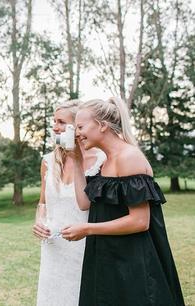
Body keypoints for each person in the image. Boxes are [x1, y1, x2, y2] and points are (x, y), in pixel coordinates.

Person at [61, 97, 185, 306]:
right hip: (108, 256)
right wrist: (77, 160)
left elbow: (140, 221)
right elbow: (84, 203)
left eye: (81, 126)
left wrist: (87, 228)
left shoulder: (129, 158)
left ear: (102, 125)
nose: (77, 133)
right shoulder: (106, 161)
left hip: (132, 260)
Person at [32, 99, 106, 306]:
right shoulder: (48, 161)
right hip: (53, 248)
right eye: (54, 121)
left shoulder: (101, 160)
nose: (55, 126)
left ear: (78, 125)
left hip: (83, 247)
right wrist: (39, 222)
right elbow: (43, 203)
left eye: (61, 122)